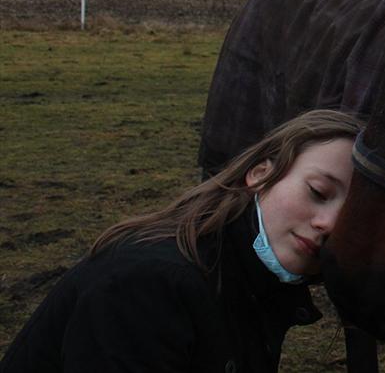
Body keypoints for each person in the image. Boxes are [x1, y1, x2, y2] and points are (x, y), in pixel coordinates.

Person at [1, 109, 361, 373]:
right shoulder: (146, 287)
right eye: (318, 191)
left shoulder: (255, 287)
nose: (328, 224)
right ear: (260, 174)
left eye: (350, 219)